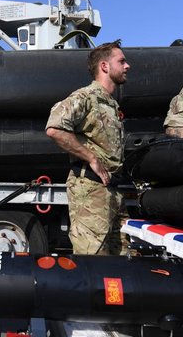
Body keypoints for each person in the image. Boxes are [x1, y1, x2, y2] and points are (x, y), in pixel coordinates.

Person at [45, 40, 130, 255]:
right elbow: (55, 128)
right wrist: (91, 158)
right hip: (91, 193)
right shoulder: (86, 97)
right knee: (95, 262)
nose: (127, 66)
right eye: (121, 61)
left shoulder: (110, 104)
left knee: (124, 260)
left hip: (112, 192)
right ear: (104, 66)